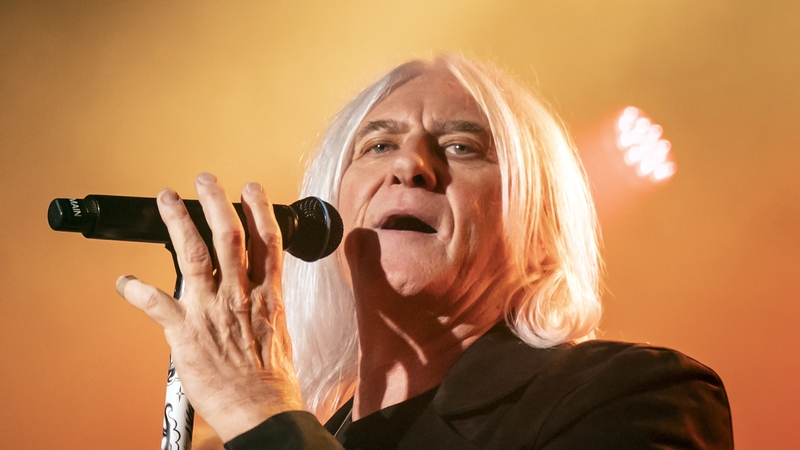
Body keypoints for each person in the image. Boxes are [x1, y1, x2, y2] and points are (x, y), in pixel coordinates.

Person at [116, 54, 734, 449]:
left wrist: (259, 414)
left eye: (463, 147)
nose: (412, 165)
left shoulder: (636, 394)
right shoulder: (316, 433)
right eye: (378, 146)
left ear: (541, 228)